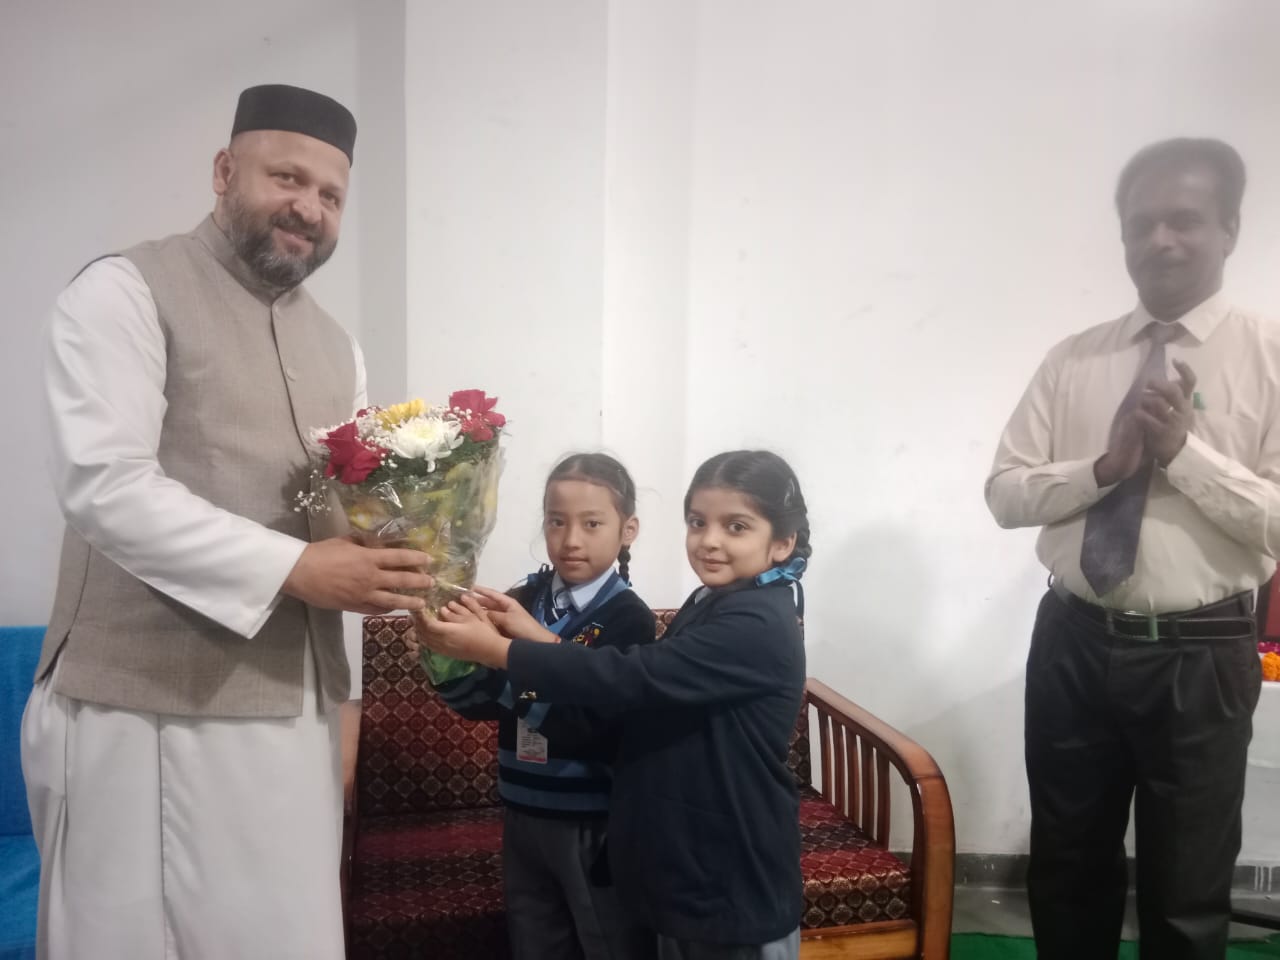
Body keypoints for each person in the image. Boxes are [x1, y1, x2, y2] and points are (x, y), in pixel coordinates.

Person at [21, 84, 433, 960]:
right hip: (142, 711)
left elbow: (337, 521)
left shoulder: (339, 346)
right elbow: (104, 483)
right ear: (223, 171)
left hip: (294, 715)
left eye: (331, 195)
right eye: (288, 177)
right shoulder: (125, 290)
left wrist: (395, 563)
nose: (309, 207)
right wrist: (296, 568)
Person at [986, 137, 1274, 960]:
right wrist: (1104, 469)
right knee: (1067, 868)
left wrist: (1185, 454)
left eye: (1184, 219)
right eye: (1142, 224)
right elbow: (1005, 493)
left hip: (1202, 657)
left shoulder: (1269, 357)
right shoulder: (1073, 360)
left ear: (1230, 229)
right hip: (1074, 641)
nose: (1161, 240)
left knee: (1186, 892)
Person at [418, 449, 811, 960]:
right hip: (686, 858)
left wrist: (499, 651)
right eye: (698, 522)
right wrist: (510, 640)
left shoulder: (756, 622)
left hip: (731, 864)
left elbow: (633, 677)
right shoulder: (714, 601)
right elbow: (642, 683)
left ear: (783, 541)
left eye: (736, 526)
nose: (710, 540)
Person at [417, 453, 656, 960]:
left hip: (590, 818)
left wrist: (504, 660)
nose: (571, 540)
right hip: (521, 810)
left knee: (607, 941)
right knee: (535, 942)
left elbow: (589, 727)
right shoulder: (521, 598)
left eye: (592, 523)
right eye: (556, 521)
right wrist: (443, 655)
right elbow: (480, 704)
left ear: (628, 530)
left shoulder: (628, 619)